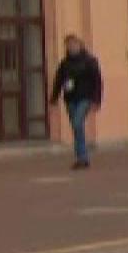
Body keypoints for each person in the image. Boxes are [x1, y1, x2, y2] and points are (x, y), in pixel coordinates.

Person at [49, 35, 104, 170]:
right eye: (68, 45)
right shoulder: (64, 64)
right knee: (76, 127)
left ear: (79, 45)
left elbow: (97, 81)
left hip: (85, 98)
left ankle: (83, 156)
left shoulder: (89, 61)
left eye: (73, 44)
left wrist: (97, 100)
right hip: (70, 99)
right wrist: (54, 98)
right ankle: (81, 158)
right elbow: (58, 81)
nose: (71, 47)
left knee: (77, 123)